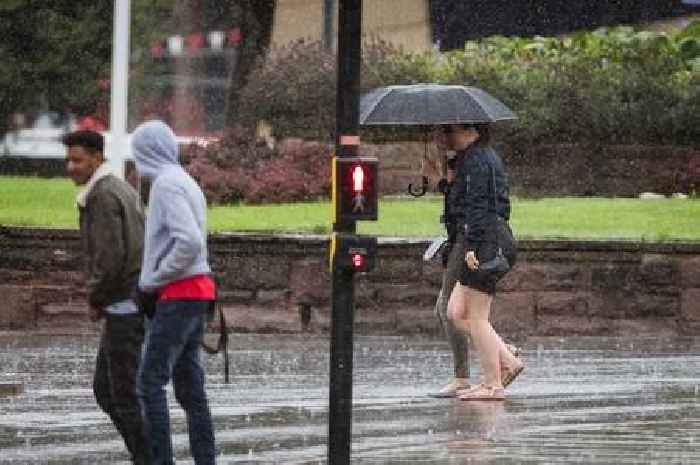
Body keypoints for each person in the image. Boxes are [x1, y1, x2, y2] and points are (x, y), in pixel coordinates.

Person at [62, 130, 151, 465]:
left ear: (97, 158)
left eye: (78, 160)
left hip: (123, 305)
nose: (71, 167)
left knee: (121, 393)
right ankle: (145, 453)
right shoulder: (119, 188)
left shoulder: (102, 195)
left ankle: (149, 457)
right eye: (68, 160)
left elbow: (109, 257)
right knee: (109, 390)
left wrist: (95, 297)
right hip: (128, 302)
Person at [132, 120, 216, 465]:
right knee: (190, 390)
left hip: (177, 295)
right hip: (199, 293)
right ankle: (205, 459)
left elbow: (189, 241)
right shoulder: (186, 182)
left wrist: (152, 279)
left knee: (149, 384)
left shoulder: (165, 186)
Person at [429, 127, 520, 398]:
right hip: (481, 237)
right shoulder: (470, 159)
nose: (446, 134)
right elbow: (466, 202)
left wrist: (472, 245)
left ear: (469, 129)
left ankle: (493, 384)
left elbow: (479, 206)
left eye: (451, 129)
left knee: (474, 316)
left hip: (486, 240)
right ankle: (506, 360)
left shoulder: (479, 160)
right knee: (456, 311)